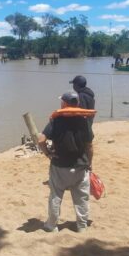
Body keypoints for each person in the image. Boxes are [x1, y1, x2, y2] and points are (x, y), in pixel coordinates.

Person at [38, 91, 97, 233]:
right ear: (77, 104)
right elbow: (89, 146)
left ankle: (52, 226)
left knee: (56, 196)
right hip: (80, 166)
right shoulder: (84, 121)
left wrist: (48, 153)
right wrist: (89, 163)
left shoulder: (56, 121)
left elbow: (41, 139)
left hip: (60, 166)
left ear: (64, 103)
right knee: (81, 199)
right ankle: (82, 226)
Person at [70, 75, 95, 166]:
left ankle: (83, 166)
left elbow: (81, 112)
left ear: (77, 85)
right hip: (89, 123)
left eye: (73, 84)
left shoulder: (81, 96)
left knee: (84, 146)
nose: (72, 86)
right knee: (89, 145)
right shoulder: (89, 94)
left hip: (82, 126)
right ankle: (89, 165)